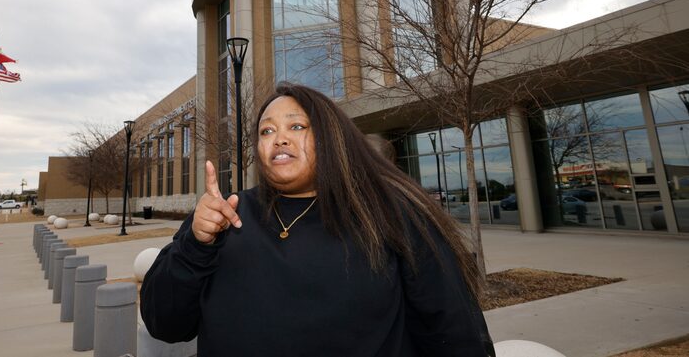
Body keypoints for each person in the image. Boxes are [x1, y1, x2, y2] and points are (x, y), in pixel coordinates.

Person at [141, 83, 495, 356]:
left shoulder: (391, 214)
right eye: (266, 131)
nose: (279, 138)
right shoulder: (223, 216)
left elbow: (455, 333)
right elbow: (164, 324)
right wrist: (195, 245)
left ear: (330, 138)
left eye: (297, 126)